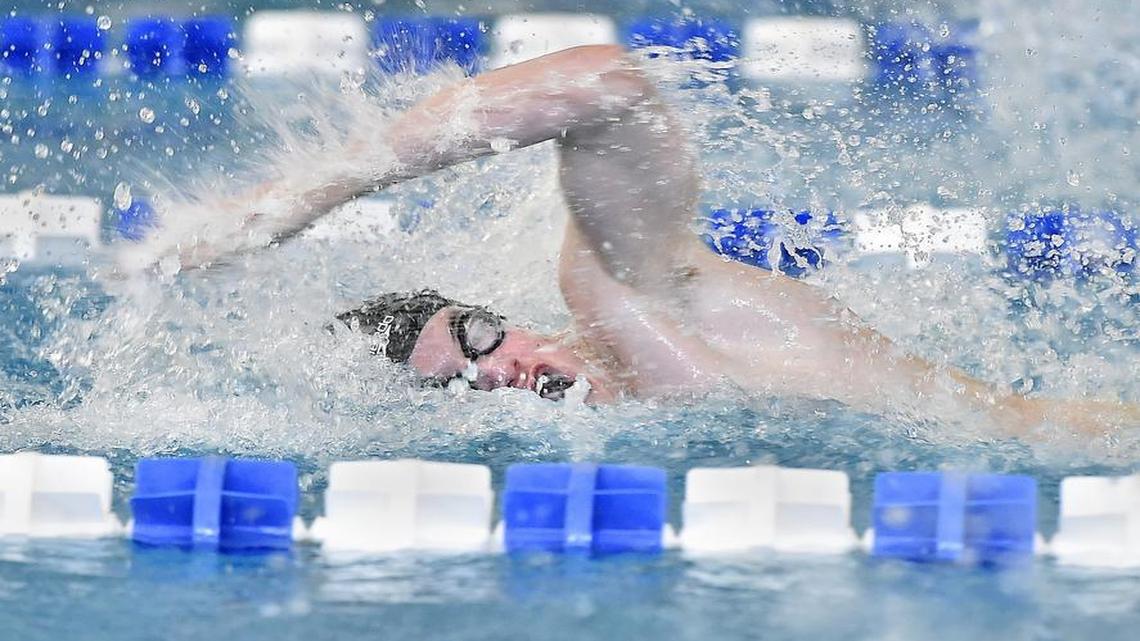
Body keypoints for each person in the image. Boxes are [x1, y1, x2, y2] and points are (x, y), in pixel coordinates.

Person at [127, 45, 1137, 438]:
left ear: (514, 316)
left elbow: (607, 88)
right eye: (458, 385)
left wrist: (298, 199)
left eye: (478, 334)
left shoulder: (639, 301)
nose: (501, 372)